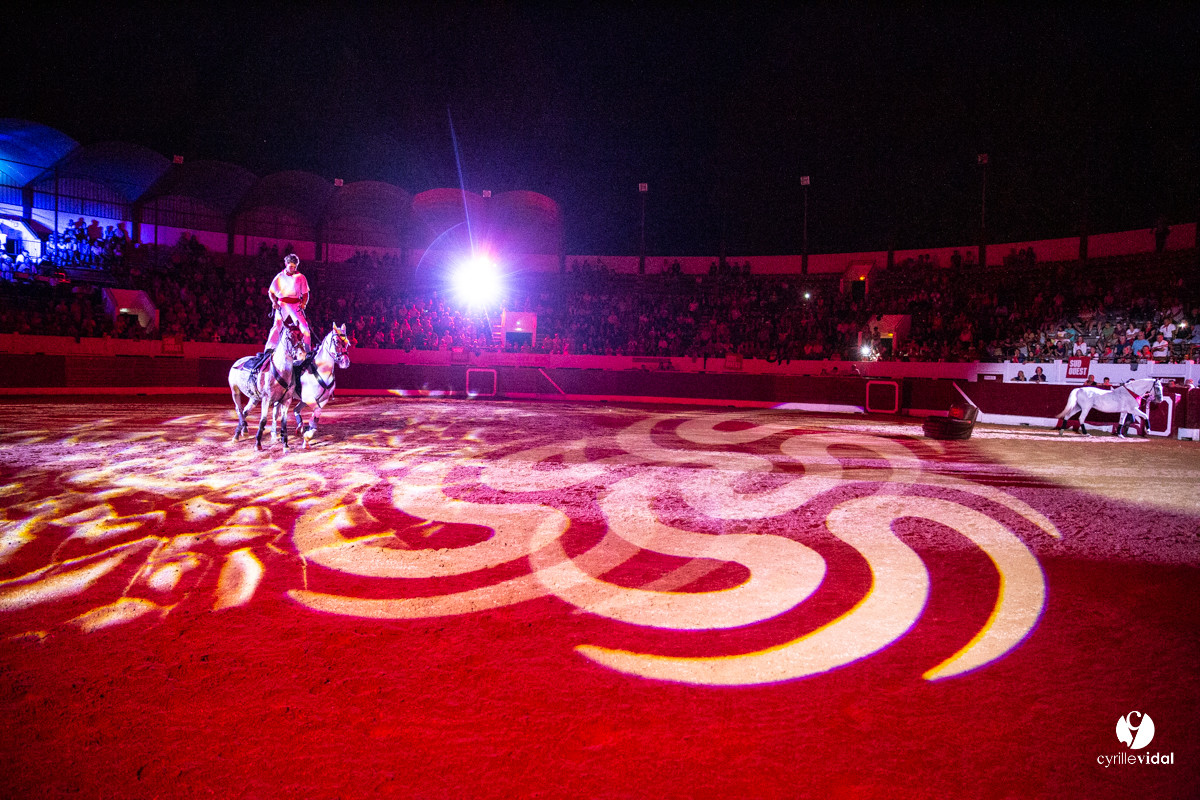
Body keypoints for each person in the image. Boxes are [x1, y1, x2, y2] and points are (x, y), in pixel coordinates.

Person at [265, 253, 311, 351]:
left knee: (305, 328)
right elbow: (271, 292)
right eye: (291, 266)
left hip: (296, 304)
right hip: (283, 304)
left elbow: (306, 293)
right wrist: (274, 302)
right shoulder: (280, 276)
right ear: (286, 264)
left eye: (295, 267)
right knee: (277, 325)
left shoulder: (301, 277)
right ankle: (270, 348)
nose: (293, 269)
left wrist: (304, 304)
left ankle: (307, 350)